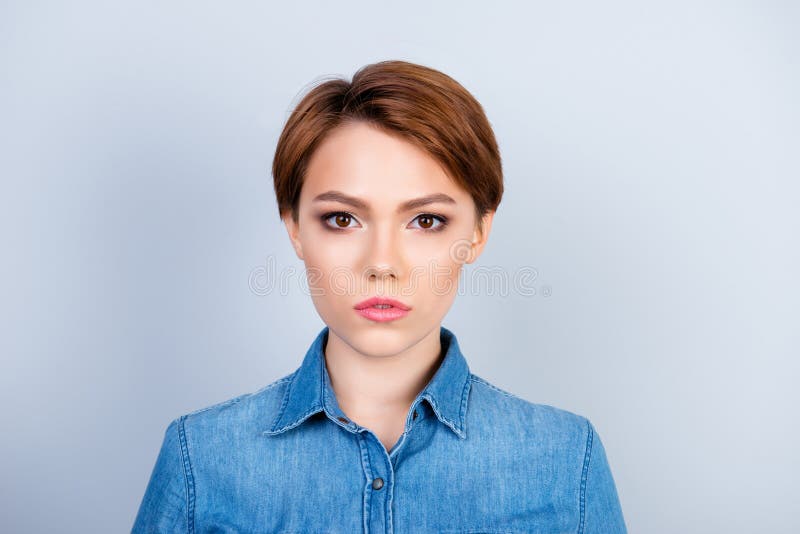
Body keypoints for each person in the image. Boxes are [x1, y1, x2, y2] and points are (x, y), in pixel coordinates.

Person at [132, 60, 627, 533]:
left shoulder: (565, 460)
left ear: (478, 232)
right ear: (295, 229)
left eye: (426, 221)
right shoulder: (201, 458)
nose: (382, 264)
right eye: (342, 219)